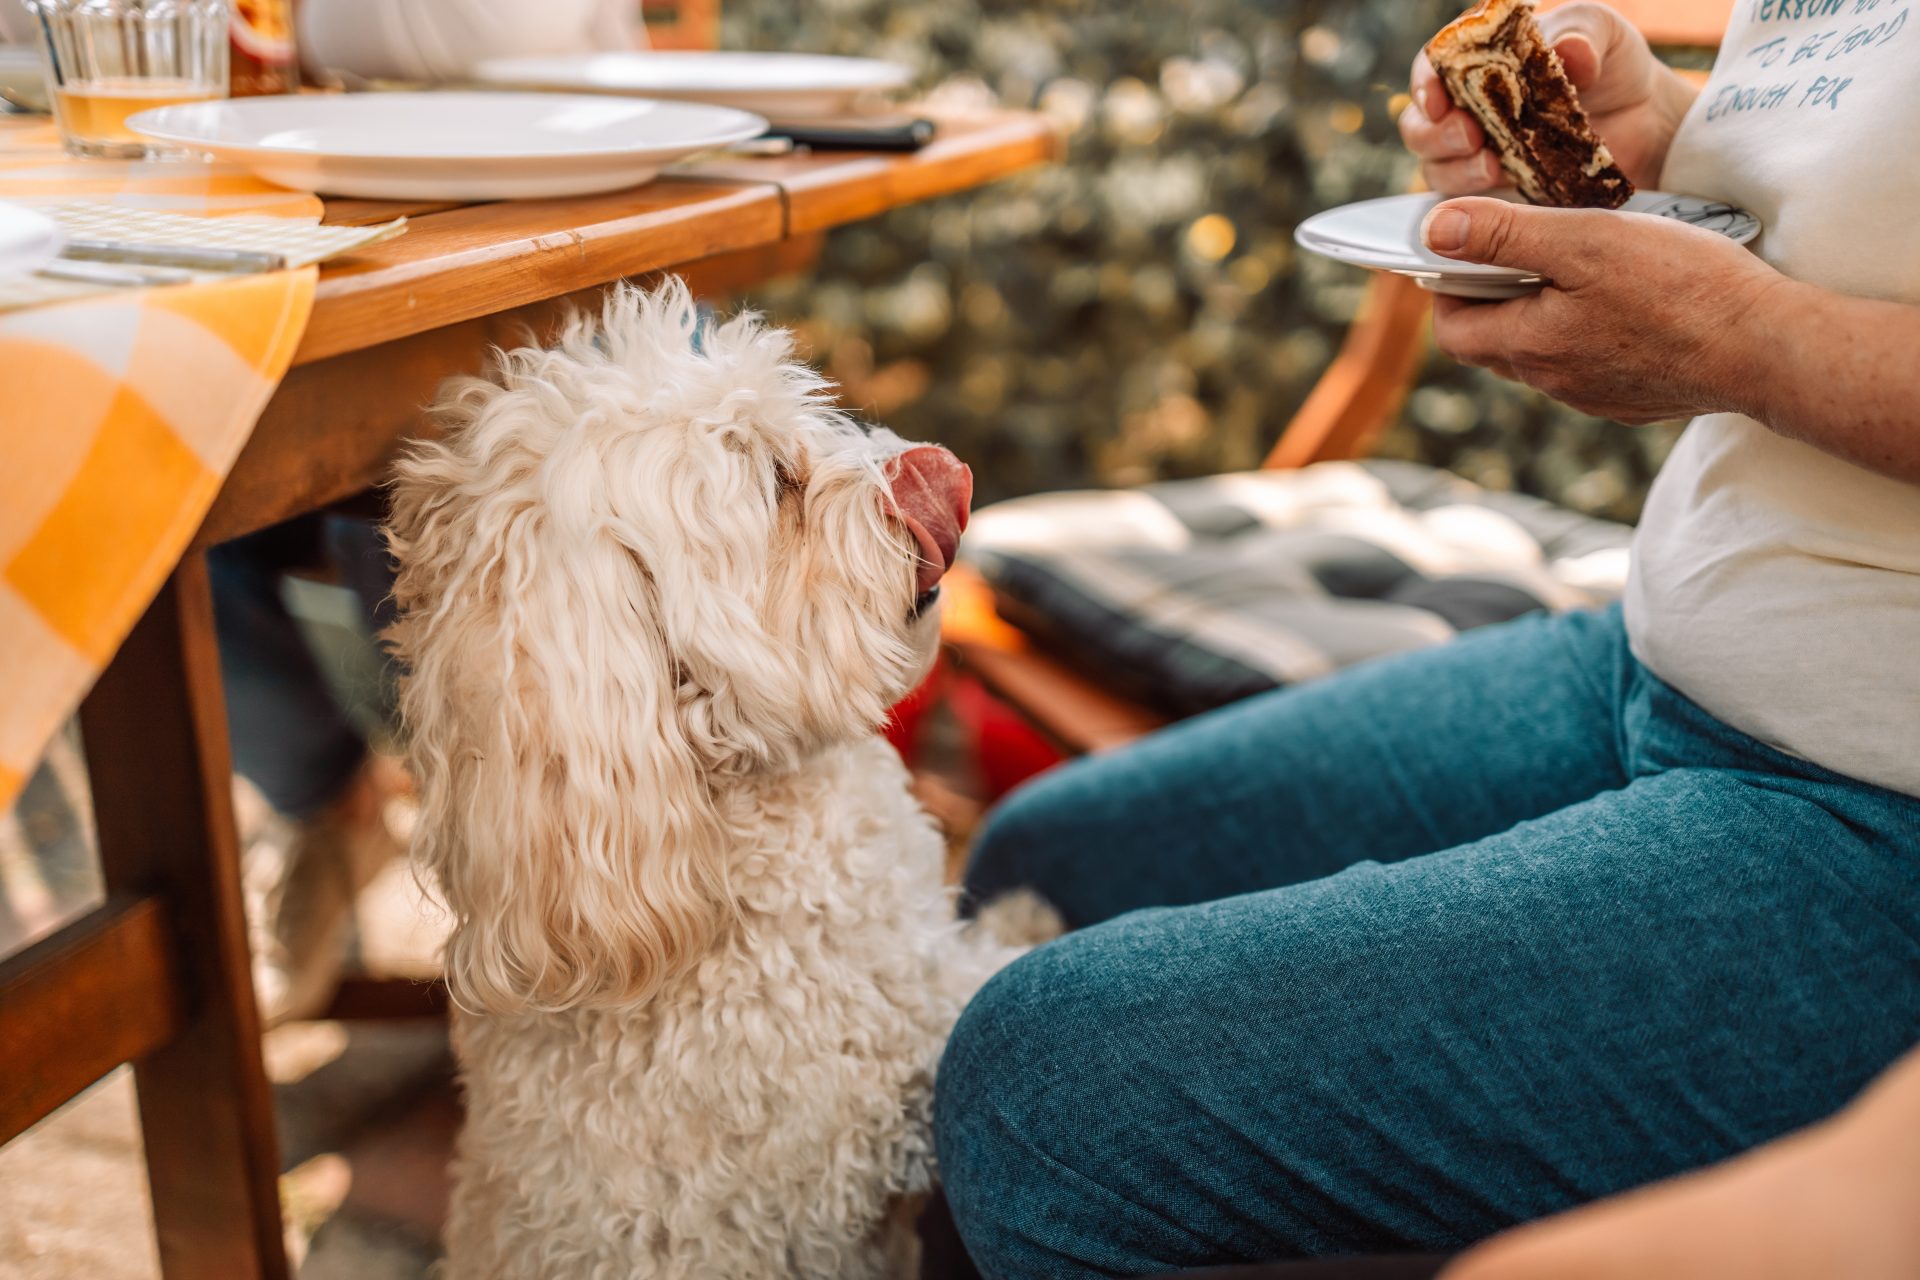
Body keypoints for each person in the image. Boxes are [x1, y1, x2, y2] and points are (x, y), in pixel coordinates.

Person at [932, 3, 1920, 1276]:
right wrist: (1668, 132)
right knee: (1039, 869)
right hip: (1662, 649)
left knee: (1048, 1097)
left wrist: (1743, 339)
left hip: (1875, 796)